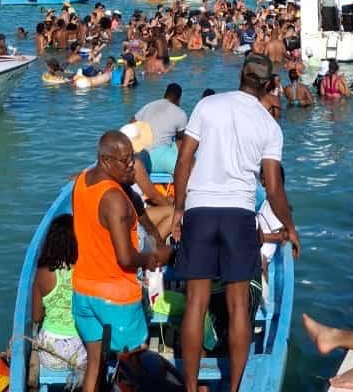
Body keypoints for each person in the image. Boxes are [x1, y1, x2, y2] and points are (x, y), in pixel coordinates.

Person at [171, 53, 300, 392]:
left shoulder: (208, 106)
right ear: (270, 83)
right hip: (239, 214)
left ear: (241, 74)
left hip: (199, 209)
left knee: (196, 304)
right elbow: (273, 188)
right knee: (238, 304)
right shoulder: (269, 126)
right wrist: (291, 227)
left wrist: (177, 210)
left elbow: (184, 160)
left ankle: (189, 386)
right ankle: (234, 387)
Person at [71, 130, 171, 392]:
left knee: (95, 364)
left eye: (133, 158)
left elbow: (135, 206)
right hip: (116, 297)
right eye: (125, 161)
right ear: (106, 161)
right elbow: (126, 258)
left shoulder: (82, 181)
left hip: (82, 291)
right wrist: (152, 257)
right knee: (134, 369)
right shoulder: (114, 200)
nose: (132, 165)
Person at [31, 213, 87, 376]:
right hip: (79, 351)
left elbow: (36, 317)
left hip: (50, 354)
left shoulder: (42, 274)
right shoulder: (83, 270)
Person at [135, 83, 187, 173]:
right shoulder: (180, 113)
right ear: (179, 99)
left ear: (165, 94)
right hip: (160, 158)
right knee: (187, 168)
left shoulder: (149, 105)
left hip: (141, 156)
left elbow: (132, 123)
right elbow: (182, 139)